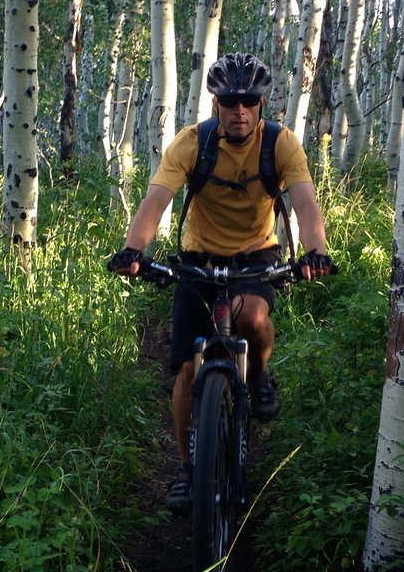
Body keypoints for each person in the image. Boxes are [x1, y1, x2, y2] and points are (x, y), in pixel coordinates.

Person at [108, 53, 333, 514]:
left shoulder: (281, 144)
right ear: (216, 103)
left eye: (249, 101)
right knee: (190, 371)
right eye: (229, 101)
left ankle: (260, 377)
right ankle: (188, 470)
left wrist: (316, 251)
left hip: (256, 257)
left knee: (253, 315)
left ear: (261, 102)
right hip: (197, 260)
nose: (239, 111)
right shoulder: (192, 144)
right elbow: (156, 199)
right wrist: (134, 249)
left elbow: (307, 204)